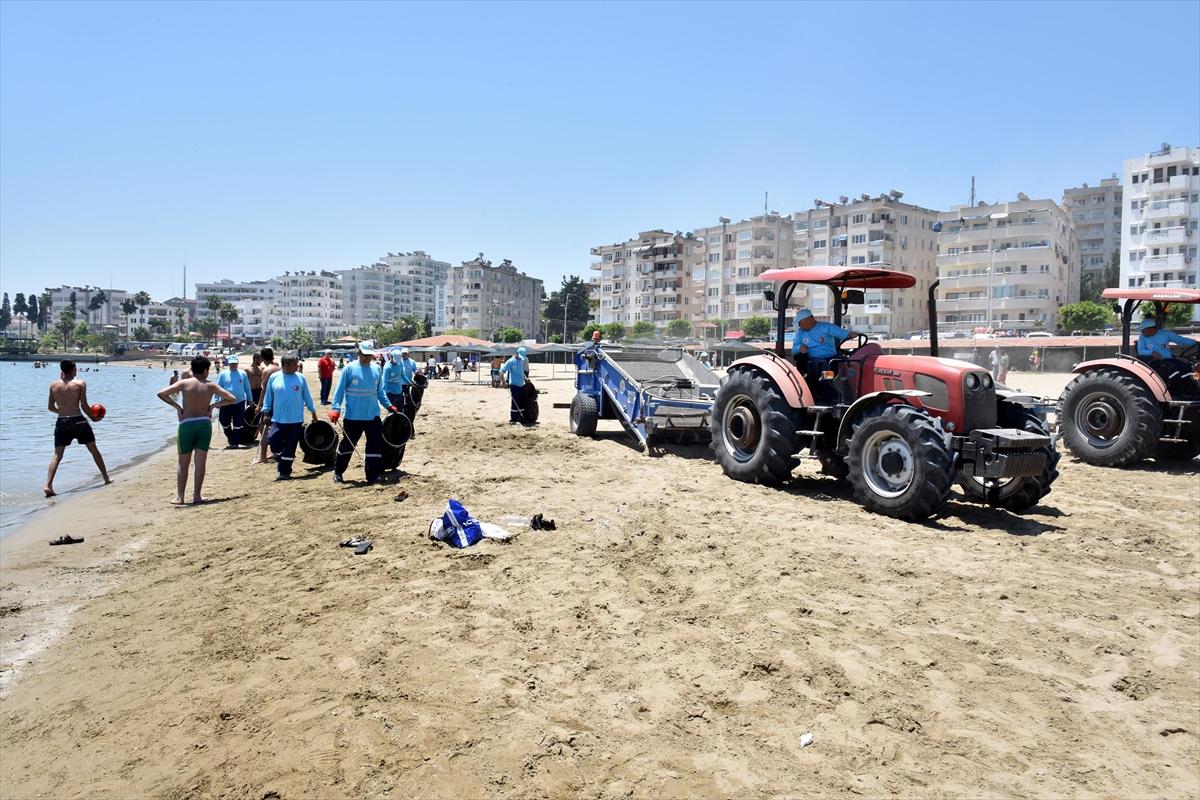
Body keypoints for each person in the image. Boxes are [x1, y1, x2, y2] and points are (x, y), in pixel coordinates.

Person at [156, 356, 237, 505]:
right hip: (204, 424)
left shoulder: (184, 383)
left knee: (183, 463)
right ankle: (197, 495)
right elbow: (232, 398)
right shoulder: (211, 386)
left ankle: (180, 497)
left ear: (192, 370)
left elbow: (161, 394)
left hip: (187, 424)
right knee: (200, 462)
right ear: (206, 370)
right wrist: (213, 406)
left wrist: (178, 408)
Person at [330, 341, 397, 484]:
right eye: (364, 355)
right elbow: (339, 391)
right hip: (352, 417)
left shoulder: (377, 369)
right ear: (359, 353)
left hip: (372, 416)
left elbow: (380, 391)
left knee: (374, 447)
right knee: (347, 446)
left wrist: (389, 405)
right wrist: (335, 409)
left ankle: (372, 475)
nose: (367, 358)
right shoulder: (349, 368)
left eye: (369, 356)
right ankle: (338, 472)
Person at [44, 360, 111, 498]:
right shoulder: (80, 384)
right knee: (93, 449)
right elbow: (84, 405)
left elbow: (50, 407)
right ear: (74, 369)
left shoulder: (53, 385)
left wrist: (63, 413)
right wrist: (93, 418)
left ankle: (48, 485)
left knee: (57, 455)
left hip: (62, 422)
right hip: (79, 421)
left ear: (62, 371)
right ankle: (106, 478)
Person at [260, 354, 317, 480]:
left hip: (296, 421)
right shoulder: (274, 377)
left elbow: (307, 396)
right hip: (277, 420)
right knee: (273, 442)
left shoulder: (300, 378)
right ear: (286, 365)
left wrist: (313, 413)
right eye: (295, 364)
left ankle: (284, 472)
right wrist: (266, 413)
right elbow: (268, 397)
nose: (298, 366)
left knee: (290, 448)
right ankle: (282, 459)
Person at [1137, 317, 1199, 395]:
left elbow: (1180, 340)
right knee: (1174, 370)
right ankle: (1177, 394)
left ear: (1151, 329)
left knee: (1186, 367)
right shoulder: (1142, 337)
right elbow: (1140, 351)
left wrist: (1195, 343)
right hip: (1156, 362)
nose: (1142, 332)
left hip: (1169, 359)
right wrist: (1151, 352)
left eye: (1143, 330)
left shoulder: (1165, 334)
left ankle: (1191, 391)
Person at [216, 355, 252, 448]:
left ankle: (234, 443)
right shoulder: (223, 374)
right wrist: (216, 400)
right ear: (229, 363)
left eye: (235, 363)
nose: (233, 365)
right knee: (223, 421)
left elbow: (247, 387)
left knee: (238, 423)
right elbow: (217, 388)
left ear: (237, 363)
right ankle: (232, 438)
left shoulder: (242, 374)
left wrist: (250, 399)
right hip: (225, 402)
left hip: (239, 403)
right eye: (231, 363)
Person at [253, 347, 281, 465]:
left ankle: (263, 456)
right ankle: (275, 452)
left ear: (263, 358)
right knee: (276, 426)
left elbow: (264, 391)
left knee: (263, 428)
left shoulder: (267, 371)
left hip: (269, 403)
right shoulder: (279, 369)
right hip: (279, 402)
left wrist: (259, 406)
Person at [500, 347, 531, 425]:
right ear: (516, 353)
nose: (521, 358)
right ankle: (513, 419)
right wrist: (503, 382)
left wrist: (525, 378)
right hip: (514, 384)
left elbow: (521, 372)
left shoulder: (521, 360)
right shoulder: (511, 361)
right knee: (515, 402)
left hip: (522, 384)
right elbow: (501, 371)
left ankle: (521, 418)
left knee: (522, 402)